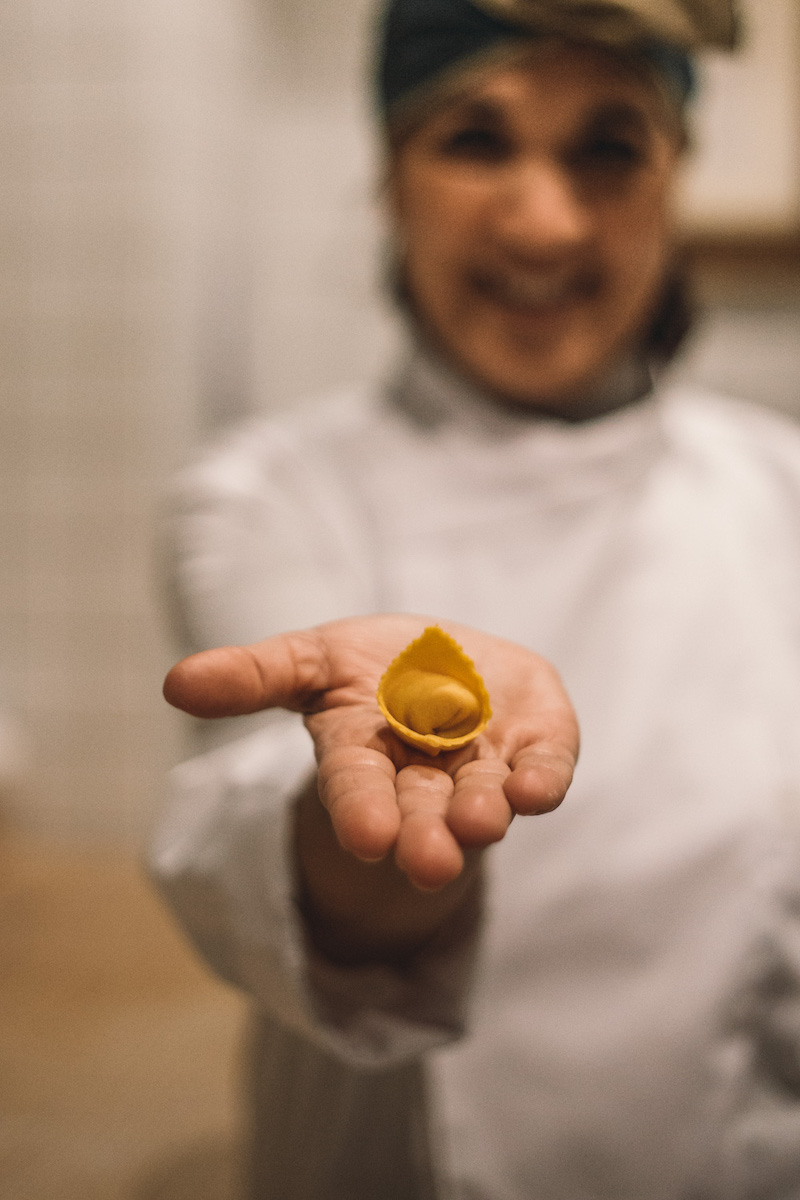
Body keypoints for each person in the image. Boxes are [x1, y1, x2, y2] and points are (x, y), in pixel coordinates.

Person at [150, 1, 800, 1197]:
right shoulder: (265, 495)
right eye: (473, 139)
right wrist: (375, 850)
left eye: (606, 146)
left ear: (673, 182)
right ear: (388, 178)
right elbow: (259, 792)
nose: (540, 220)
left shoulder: (779, 494)